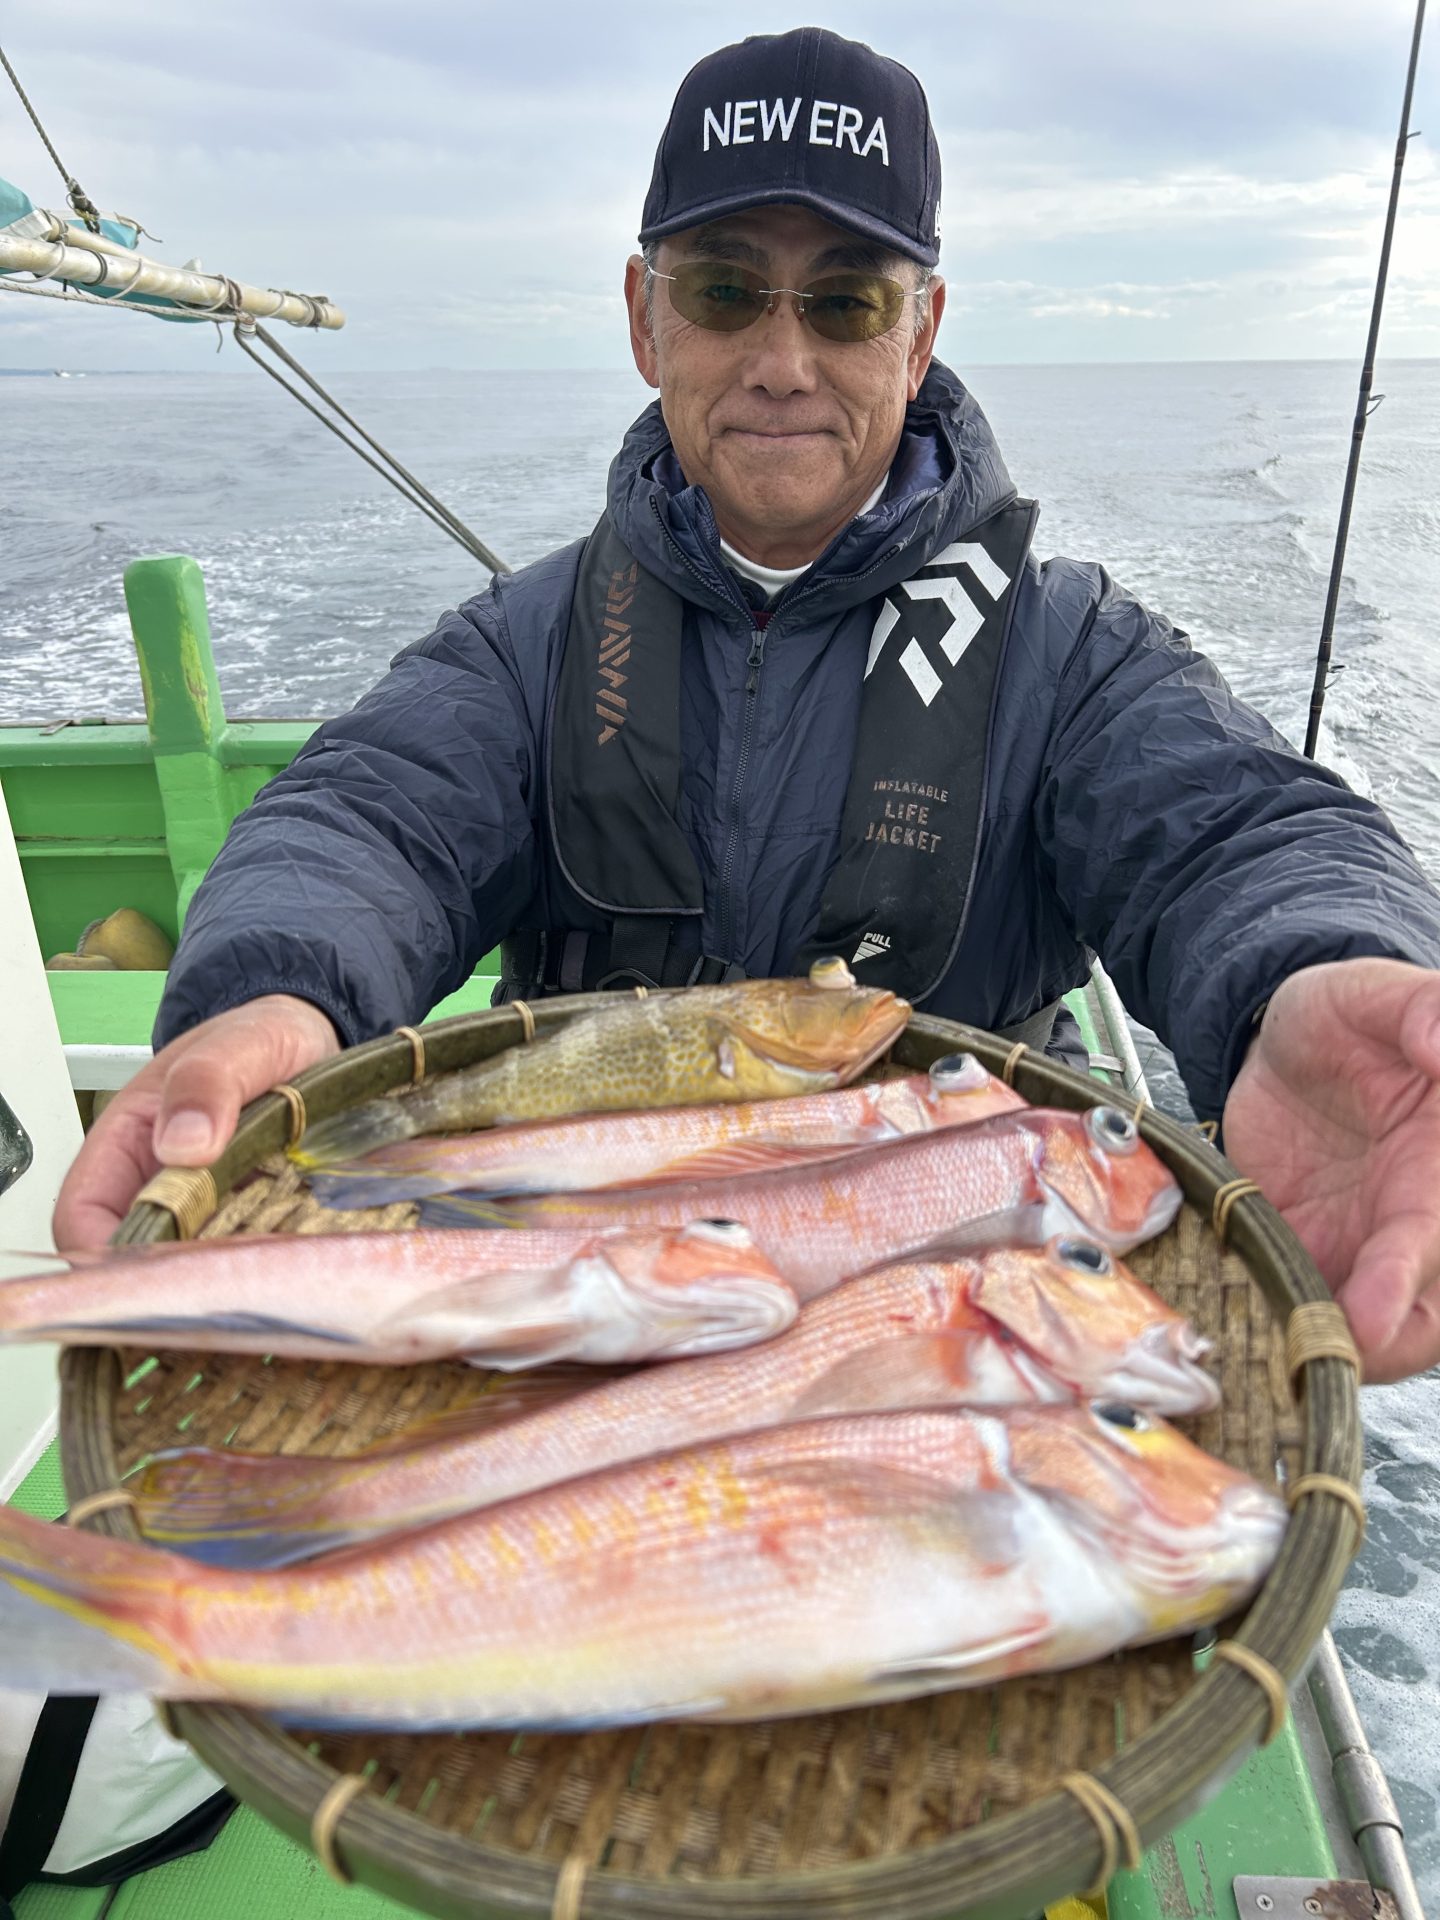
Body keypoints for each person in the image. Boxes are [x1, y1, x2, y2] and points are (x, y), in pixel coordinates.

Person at [55, 28, 1440, 1384]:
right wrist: (272, 989)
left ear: (921, 333)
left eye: (846, 302)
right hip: (579, 1280)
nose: (783, 358)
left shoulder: (1071, 653)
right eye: (725, 291)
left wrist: (1319, 967)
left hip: (963, 1311)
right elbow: (369, 816)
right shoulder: (524, 646)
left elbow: (1234, 828)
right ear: (644, 320)